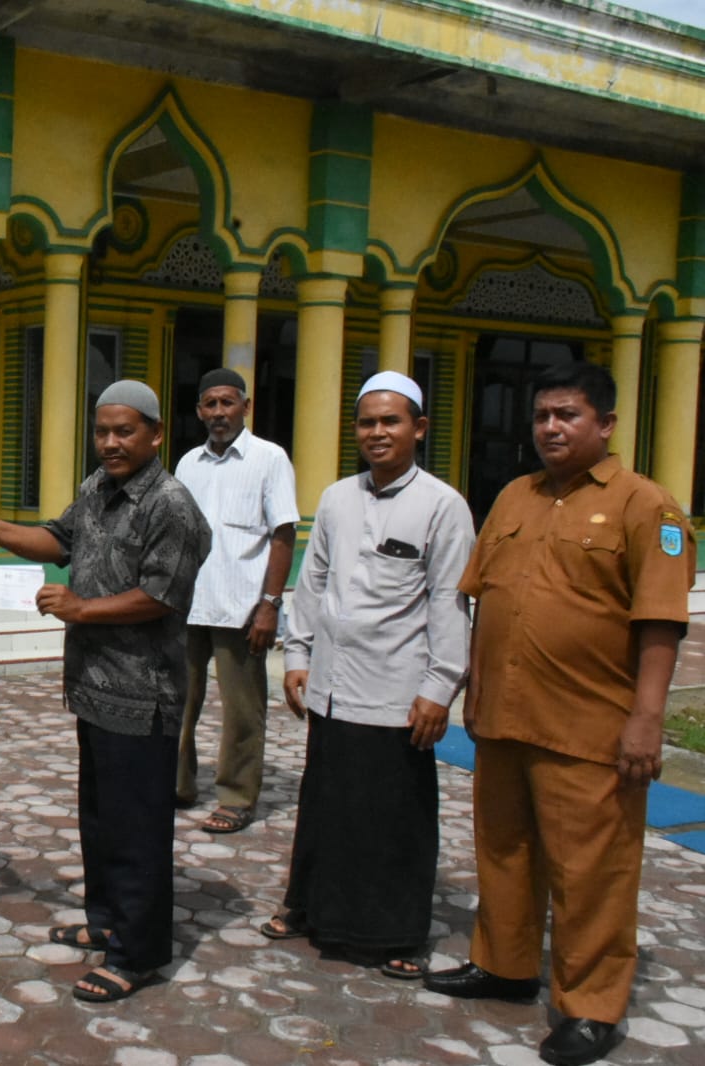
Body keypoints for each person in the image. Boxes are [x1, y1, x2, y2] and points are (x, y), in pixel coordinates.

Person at [425, 362, 692, 1066]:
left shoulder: (645, 507)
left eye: (567, 415)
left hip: (589, 726)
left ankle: (592, 1007)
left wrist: (645, 719)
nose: (550, 427)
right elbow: (482, 601)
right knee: (503, 852)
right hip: (504, 719)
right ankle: (505, 966)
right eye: (542, 414)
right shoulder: (514, 496)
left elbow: (660, 621)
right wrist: (471, 695)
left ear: (604, 424)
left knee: (591, 873)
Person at [0, 380, 209, 1002]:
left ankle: (137, 953)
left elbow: (161, 595)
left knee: (138, 829)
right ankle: (106, 921)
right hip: (95, 689)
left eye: (124, 431)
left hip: (145, 694)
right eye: (102, 431)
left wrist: (80, 608)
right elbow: (60, 540)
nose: (110, 442)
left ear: (156, 434)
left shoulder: (172, 506)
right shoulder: (96, 488)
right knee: (102, 821)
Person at [263, 371, 473, 979]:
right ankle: (309, 909)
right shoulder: (336, 498)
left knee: (392, 818)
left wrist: (439, 689)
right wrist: (297, 657)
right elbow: (315, 582)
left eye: (392, 421)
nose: (377, 433)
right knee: (325, 806)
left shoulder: (443, 505)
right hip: (330, 684)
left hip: (396, 692)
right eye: (367, 422)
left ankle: (393, 933)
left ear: (419, 429)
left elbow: (448, 604)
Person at [173, 368, 298, 833]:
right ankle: (179, 784)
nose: (219, 413)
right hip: (189, 604)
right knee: (178, 701)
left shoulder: (270, 459)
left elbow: (283, 536)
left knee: (243, 710)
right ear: (199, 411)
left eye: (228, 403)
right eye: (210, 404)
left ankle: (237, 795)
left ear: (246, 406)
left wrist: (270, 604)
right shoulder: (188, 464)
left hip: (243, 607)